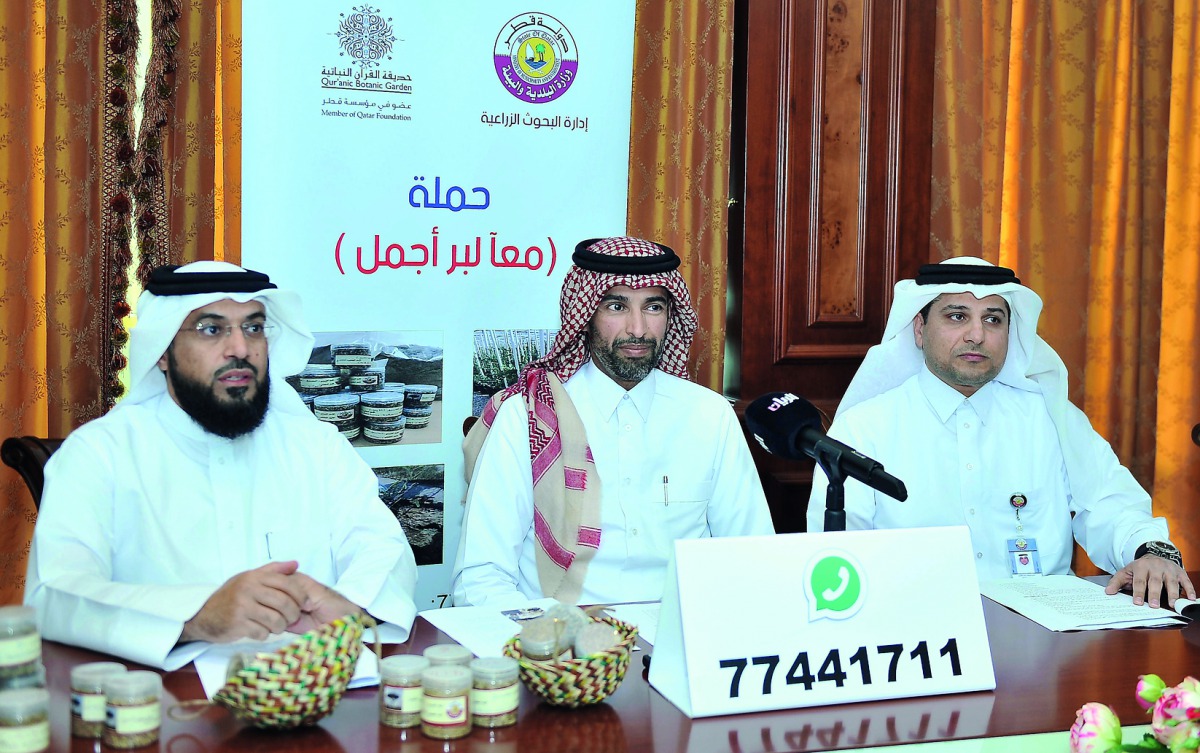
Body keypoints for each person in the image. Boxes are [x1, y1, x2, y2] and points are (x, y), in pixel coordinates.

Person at [25, 262, 419, 668]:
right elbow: (55, 594)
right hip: (160, 707)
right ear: (162, 352)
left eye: (253, 328)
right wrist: (197, 615)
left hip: (314, 687)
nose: (241, 349)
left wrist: (348, 606)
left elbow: (383, 548)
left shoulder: (316, 446)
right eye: (212, 329)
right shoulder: (100, 454)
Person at [807, 257, 1194, 608]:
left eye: (993, 319)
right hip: (918, 634)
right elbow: (840, 557)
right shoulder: (864, 428)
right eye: (957, 316)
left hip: (1045, 644)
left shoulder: (1048, 418)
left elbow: (1110, 504)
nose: (977, 334)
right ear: (920, 330)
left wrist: (1151, 550)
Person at [452, 236, 775, 606]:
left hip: (682, 637)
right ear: (586, 313)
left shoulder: (710, 416)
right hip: (561, 644)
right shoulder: (528, 417)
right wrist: (543, 652)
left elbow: (751, 555)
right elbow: (482, 575)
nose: (637, 329)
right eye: (616, 306)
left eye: (653, 307)